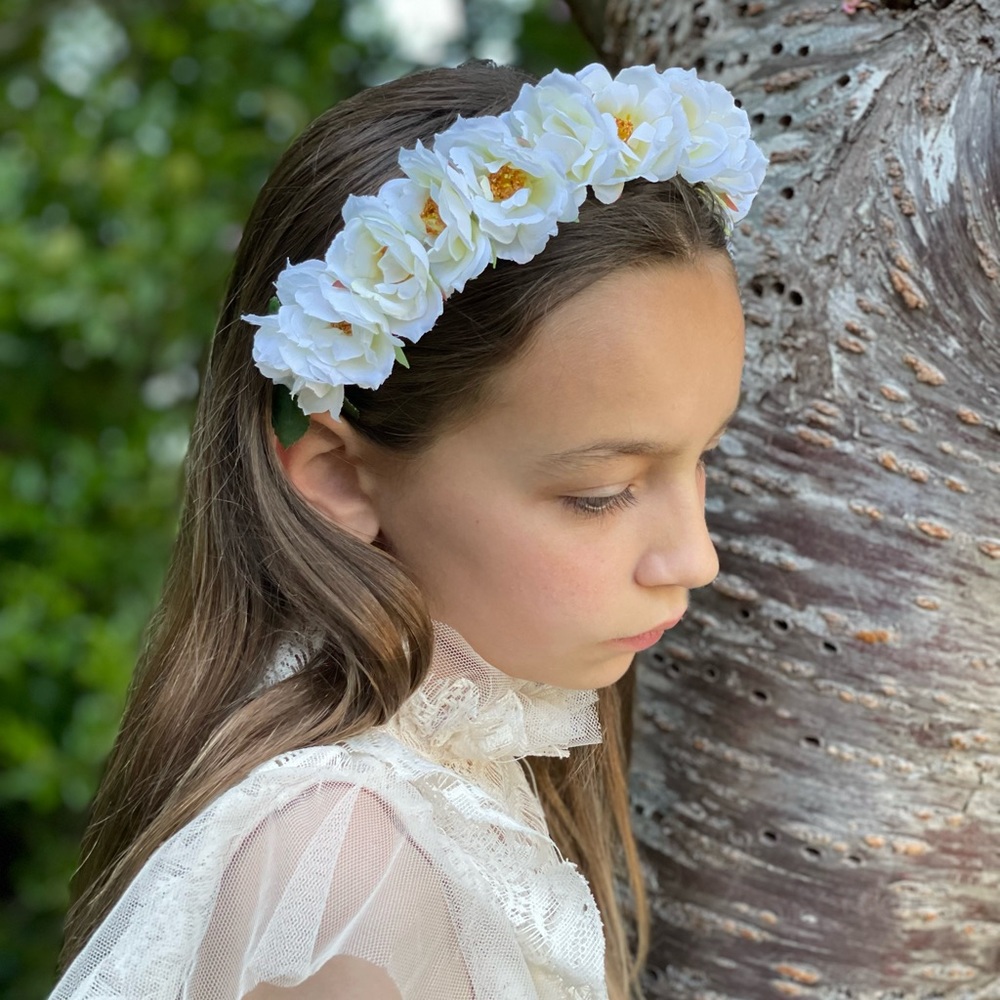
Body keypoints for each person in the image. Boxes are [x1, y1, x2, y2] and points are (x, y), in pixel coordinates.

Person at [51, 59, 766, 1000]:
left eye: (704, 455)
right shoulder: (344, 868)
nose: (696, 557)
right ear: (343, 476)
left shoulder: (450, 781)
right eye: (602, 493)